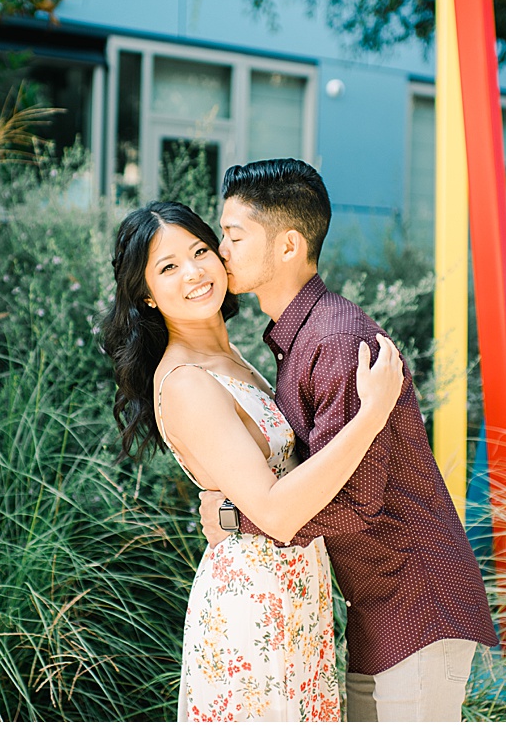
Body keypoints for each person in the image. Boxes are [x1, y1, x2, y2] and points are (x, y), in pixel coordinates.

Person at [198, 158, 499, 722]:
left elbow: (354, 502)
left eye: (234, 235)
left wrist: (237, 519)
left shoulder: (338, 341)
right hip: (381, 605)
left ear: (288, 246)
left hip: (418, 602)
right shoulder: (299, 340)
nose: (221, 251)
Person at [100, 201, 405, 722]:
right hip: (251, 606)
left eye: (200, 251)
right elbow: (275, 511)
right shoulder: (188, 382)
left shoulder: (231, 358)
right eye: (168, 266)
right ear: (146, 295)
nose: (194, 272)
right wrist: (371, 415)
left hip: (296, 594)